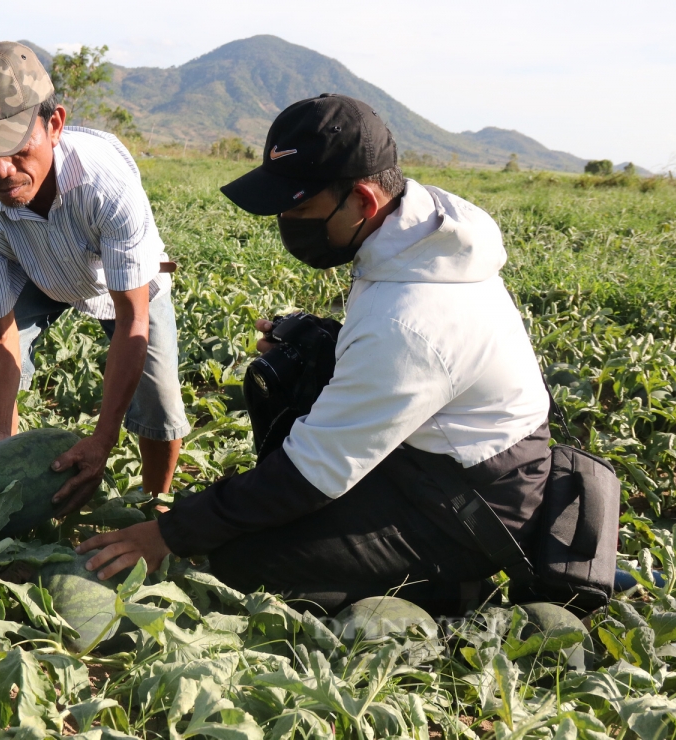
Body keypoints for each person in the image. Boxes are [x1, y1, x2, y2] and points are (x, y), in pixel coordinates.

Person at [78, 94, 552, 613]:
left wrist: (168, 534)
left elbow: (314, 472)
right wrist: (322, 341)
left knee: (241, 565)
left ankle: (453, 590)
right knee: (296, 374)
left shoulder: (409, 319)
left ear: (364, 202)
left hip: (470, 502)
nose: (287, 220)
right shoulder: (419, 231)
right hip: (438, 451)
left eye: (299, 208)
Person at [0, 41, 190, 513]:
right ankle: (1, 494)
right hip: (35, 268)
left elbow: (133, 320)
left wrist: (101, 440)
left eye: (14, 148)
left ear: (54, 125)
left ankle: (155, 504)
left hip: (121, 280)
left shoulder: (105, 185)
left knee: (157, 398)